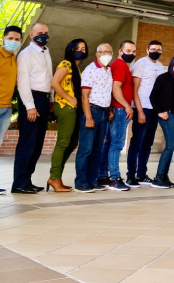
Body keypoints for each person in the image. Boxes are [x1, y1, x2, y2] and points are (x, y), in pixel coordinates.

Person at [13, 22, 52, 194]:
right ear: (31, 35)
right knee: (27, 142)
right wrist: (30, 106)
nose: (43, 35)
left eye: (46, 32)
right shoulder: (26, 54)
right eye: (39, 32)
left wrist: (50, 99)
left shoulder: (46, 51)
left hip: (43, 99)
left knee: (37, 143)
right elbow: (23, 82)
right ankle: (19, 182)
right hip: (31, 99)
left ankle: (27, 180)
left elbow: (48, 77)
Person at [47, 39, 88, 192]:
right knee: (63, 142)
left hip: (74, 108)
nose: (81, 50)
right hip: (65, 107)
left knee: (72, 143)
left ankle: (57, 177)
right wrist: (69, 98)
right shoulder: (66, 64)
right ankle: (54, 177)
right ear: (70, 49)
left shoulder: (77, 69)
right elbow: (54, 82)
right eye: (77, 48)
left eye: (84, 48)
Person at [74, 43, 114, 193]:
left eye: (109, 52)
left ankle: (92, 180)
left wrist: (109, 109)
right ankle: (81, 182)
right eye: (103, 52)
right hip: (92, 111)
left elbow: (106, 91)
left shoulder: (108, 70)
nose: (107, 55)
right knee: (86, 149)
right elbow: (85, 96)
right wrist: (88, 117)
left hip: (104, 113)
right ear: (97, 54)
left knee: (98, 149)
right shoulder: (90, 70)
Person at [0, 26, 22, 195]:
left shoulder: (14, 58)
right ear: (3, 38)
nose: (13, 42)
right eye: (11, 38)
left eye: (17, 40)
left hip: (6, 109)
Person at [127, 40, 163, 187]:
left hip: (154, 109)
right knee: (137, 142)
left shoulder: (160, 67)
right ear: (147, 50)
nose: (156, 51)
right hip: (142, 108)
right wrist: (140, 111)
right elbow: (135, 89)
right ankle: (131, 176)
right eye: (153, 49)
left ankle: (142, 174)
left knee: (147, 143)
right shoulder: (140, 64)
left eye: (158, 49)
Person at [150, 55, 174, 189]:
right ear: (172, 63)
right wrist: (160, 111)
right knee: (171, 145)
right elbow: (153, 97)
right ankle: (158, 177)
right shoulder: (163, 78)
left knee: (172, 145)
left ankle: (164, 175)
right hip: (168, 115)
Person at [103, 40, 136, 191]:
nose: (131, 54)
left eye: (134, 51)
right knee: (116, 144)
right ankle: (114, 178)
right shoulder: (120, 65)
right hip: (120, 110)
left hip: (118, 109)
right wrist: (127, 106)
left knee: (110, 143)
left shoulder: (121, 65)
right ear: (120, 51)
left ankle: (103, 174)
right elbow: (116, 88)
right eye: (128, 51)